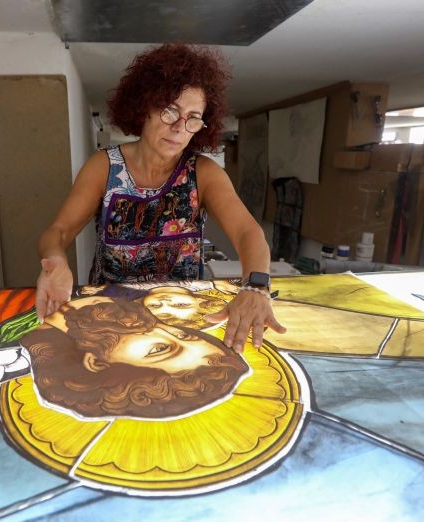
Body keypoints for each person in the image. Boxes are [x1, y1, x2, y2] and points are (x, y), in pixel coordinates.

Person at [36, 43, 285, 352]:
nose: (180, 128)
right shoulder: (104, 167)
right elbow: (57, 232)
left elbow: (249, 233)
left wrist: (256, 286)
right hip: (108, 317)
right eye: (170, 111)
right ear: (146, 107)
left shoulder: (203, 173)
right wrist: (57, 262)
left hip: (182, 318)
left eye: (193, 118)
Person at [23, 298, 249, 419]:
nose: (162, 329)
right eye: (183, 335)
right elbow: (59, 231)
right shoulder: (151, 303)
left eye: (159, 349)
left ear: (97, 363)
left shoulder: (40, 326)